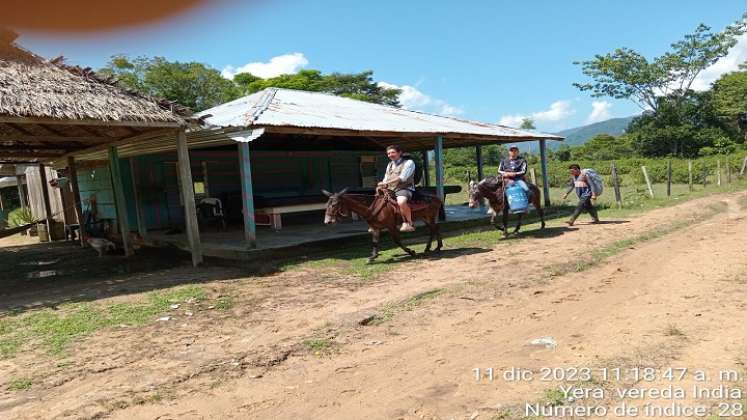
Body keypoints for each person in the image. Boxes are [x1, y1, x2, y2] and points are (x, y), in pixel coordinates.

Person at [378, 144, 416, 232]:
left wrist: (385, 183)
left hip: (404, 188)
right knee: (377, 199)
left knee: (401, 202)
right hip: (391, 188)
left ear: (399, 153)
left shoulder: (409, 162)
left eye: (393, 152)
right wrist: (382, 184)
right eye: (388, 153)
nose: (390, 155)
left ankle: (409, 223)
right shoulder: (390, 164)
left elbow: (402, 178)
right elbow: (386, 177)